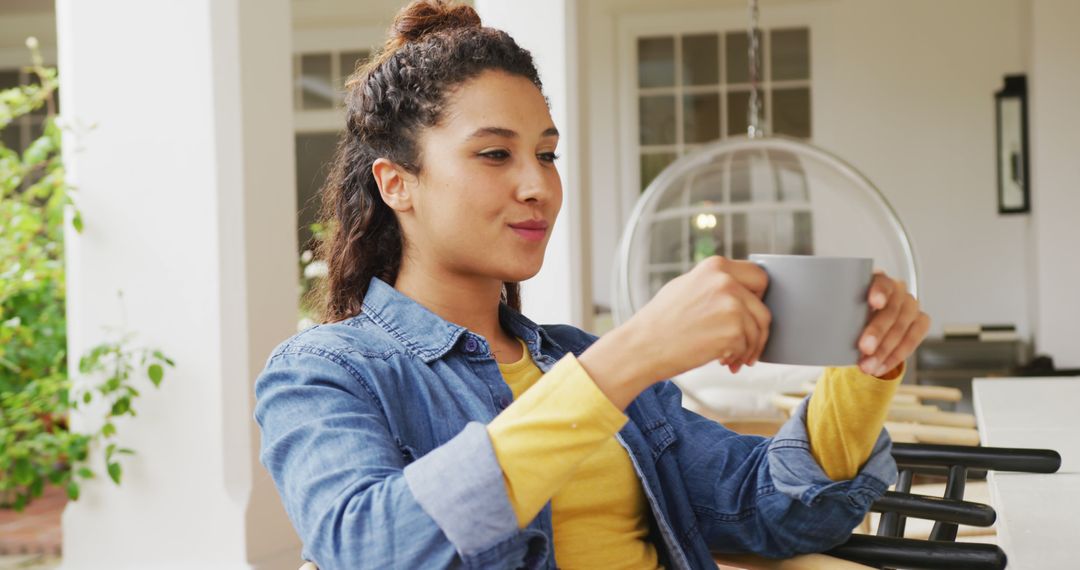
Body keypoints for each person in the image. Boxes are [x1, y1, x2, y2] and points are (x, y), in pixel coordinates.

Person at [253, 1, 931, 568]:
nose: (537, 185)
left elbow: (770, 512)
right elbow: (370, 548)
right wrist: (629, 357)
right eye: (495, 154)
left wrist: (866, 364)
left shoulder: (575, 360)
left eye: (546, 155)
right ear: (395, 182)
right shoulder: (324, 373)